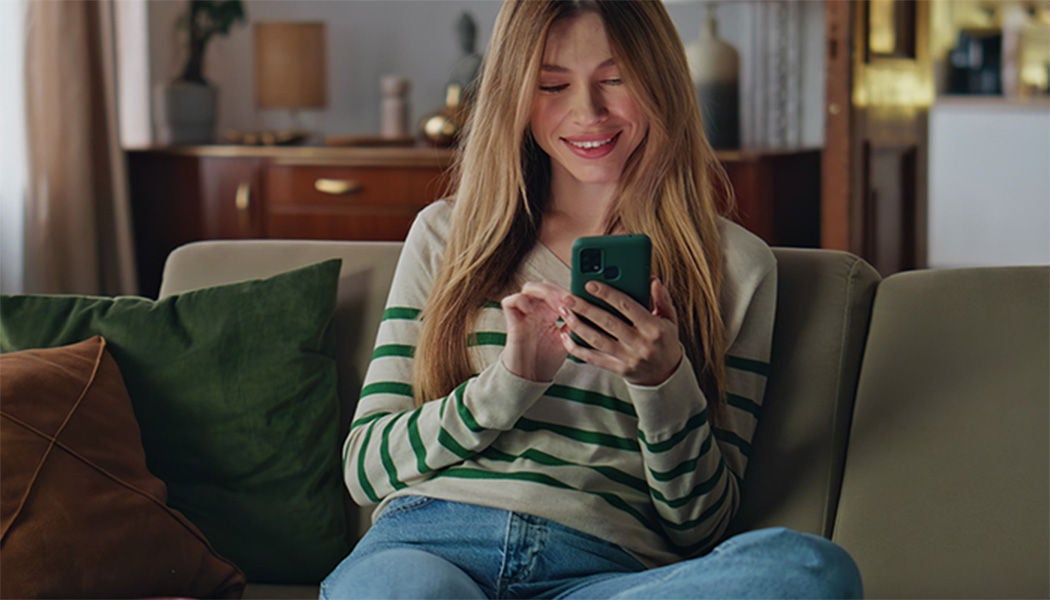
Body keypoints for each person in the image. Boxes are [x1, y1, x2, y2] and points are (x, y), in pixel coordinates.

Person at [322, 1, 862, 598]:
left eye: (615, 79)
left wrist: (664, 383)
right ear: (516, 97)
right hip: (430, 545)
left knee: (808, 570)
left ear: (660, 80)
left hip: (602, 573)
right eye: (552, 84)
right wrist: (508, 383)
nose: (588, 112)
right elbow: (366, 468)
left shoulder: (736, 266)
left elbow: (701, 526)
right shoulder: (447, 235)